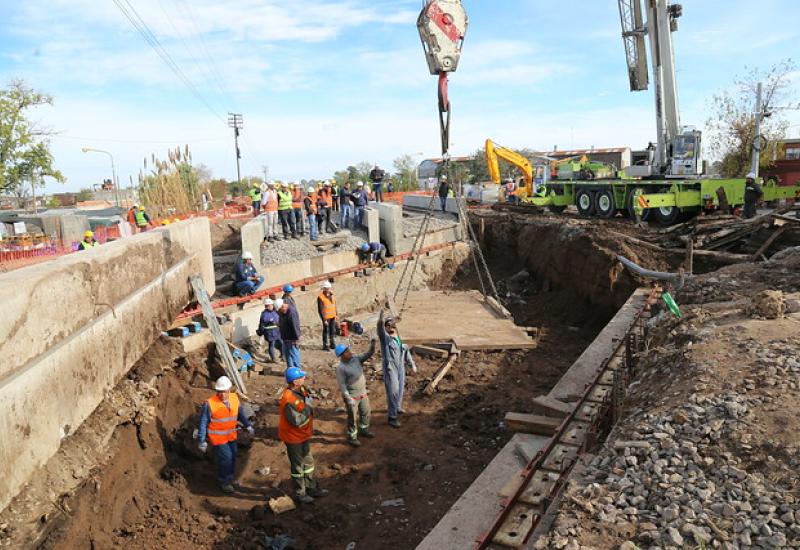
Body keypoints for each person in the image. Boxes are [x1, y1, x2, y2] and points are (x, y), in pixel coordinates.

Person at [278, 367, 328, 504]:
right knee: (298, 466)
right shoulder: (288, 400)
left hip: (303, 435)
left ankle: (310, 487)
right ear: (294, 381)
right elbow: (296, 421)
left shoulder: (301, 390)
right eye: (301, 377)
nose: (304, 378)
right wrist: (308, 409)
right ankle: (300, 493)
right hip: (293, 437)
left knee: (309, 462)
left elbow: (306, 399)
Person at [197, 375, 254, 493]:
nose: (222, 395)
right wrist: (201, 440)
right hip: (218, 439)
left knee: (233, 456)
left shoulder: (234, 398)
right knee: (226, 458)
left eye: (225, 392)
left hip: (231, 436)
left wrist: (247, 424)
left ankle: (230, 478)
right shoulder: (210, 404)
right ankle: (224, 481)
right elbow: (203, 422)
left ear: (229, 390)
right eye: (220, 392)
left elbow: (240, 414)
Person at [377, 309, 417, 428]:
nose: (391, 327)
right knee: (393, 391)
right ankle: (392, 417)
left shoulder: (398, 337)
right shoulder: (385, 339)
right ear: (385, 328)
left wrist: (412, 364)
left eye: (392, 324)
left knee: (400, 389)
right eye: (388, 325)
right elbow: (379, 330)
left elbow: (405, 351)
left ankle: (397, 407)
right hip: (391, 368)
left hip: (400, 366)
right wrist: (381, 319)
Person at [334, 340, 377, 447]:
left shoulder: (356, 359)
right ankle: (352, 437)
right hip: (352, 396)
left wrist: (372, 345)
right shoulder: (341, 368)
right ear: (342, 355)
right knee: (352, 417)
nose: (350, 352)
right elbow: (342, 384)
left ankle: (364, 430)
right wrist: (348, 397)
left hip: (363, 393)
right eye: (347, 351)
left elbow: (368, 354)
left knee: (366, 412)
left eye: (348, 350)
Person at [276, 298, 302, 370]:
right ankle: (290, 369)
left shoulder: (292, 312)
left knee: (294, 354)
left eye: (281, 309)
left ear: (283, 306)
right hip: (285, 337)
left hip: (292, 338)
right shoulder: (282, 312)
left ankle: (297, 370)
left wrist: (296, 338)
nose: (280, 311)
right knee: (287, 354)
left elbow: (295, 326)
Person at [257, 299, 281, 363]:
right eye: (268, 306)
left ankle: (283, 356)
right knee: (271, 345)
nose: (270, 307)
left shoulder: (275, 312)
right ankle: (274, 359)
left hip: (277, 331)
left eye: (270, 305)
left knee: (281, 343)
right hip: (270, 333)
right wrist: (260, 331)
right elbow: (261, 324)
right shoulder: (264, 314)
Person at [317, 281, 337, 350]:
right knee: (326, 331)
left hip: (333, 316)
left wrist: (336, 314)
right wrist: (324, 320)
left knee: (332, 330)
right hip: (326, 317)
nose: (328, 290)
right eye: (326, 288)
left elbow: (334, 305)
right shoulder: (321, 297)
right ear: (324, 289)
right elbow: (320, 310)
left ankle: (332, 343)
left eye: (329, 288)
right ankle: (325, 345)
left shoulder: (332, 295)